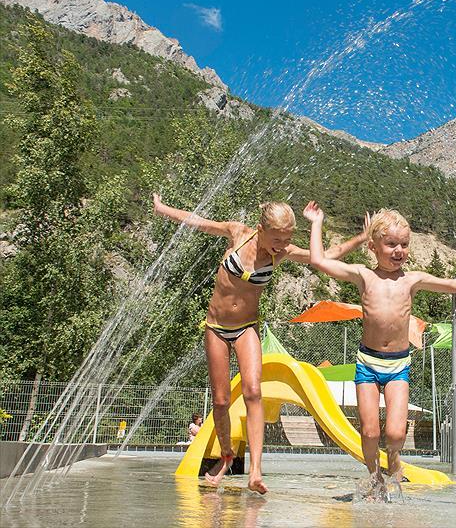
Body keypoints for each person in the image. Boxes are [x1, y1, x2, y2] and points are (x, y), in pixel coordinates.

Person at [304, 202, 456, 498]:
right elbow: (318, 261)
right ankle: (375, 478)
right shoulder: (363, 276)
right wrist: (316, 222)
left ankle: (394, 460)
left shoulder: (412, 280)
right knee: (369, 432)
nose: (399, 250)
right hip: (367, 363)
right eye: (391, 244)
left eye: (404, 244)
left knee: (396, 434)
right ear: (373, 247)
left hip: (398, 365)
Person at [152, 194, 368, 494]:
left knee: (253, 392)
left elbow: (328, 255)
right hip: (216, 328)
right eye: (277, 239)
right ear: (260, 229)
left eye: (287, 239)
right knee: (221, 401)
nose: (282, 245)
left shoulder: (282, 253)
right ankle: (226, 456)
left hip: (246, 328)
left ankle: (255, 470)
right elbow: (197, 222)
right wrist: (162, 209)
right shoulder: (237, 233)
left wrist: (361, 238)